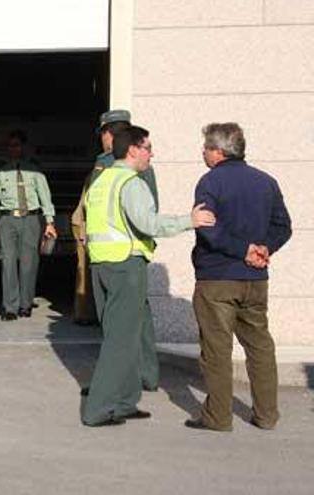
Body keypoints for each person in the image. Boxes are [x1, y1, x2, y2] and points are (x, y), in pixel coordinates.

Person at [82, 126, 215, 427]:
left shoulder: (102, 179)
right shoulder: (131, 182)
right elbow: (147, 224)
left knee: (126, 338)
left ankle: (125, 402)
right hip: (125, 266)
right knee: (120, 341)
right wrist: (188, 221)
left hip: (102, 265)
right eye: (148, 147)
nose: (151, 154)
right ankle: (98, 410)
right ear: (132, 150)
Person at [185, 123, 292, 432]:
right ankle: (267, 415)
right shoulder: (266, 182)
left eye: (205, 147)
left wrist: (243, 249)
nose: (202, 152)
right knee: (260, 346)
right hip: (255, 279)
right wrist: (263, 248)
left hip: (217, 277)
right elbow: (283, 226)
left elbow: (207, 226)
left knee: (217, 350)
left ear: (218, 152)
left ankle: (218, 417)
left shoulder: (210, 182)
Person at [0, 130, 58, 321]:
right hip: (8, 219)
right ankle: (10, 307)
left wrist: (49, 221)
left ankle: (25, 304)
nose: (13, 149)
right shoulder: (0, 170)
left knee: (29, 262)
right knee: (8, 263)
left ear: (23, 147)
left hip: (30, 219)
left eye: (16, 145)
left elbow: (45, 196)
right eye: (10, 145)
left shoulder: (34, 169)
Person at [71, 110, 132, 325]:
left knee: (105, 295)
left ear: (108, 133)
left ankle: (91, 317)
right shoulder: (139, 160)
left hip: (105, 242)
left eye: (103, 133)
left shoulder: (107, 161)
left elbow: (95, 202)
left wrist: (86, 231)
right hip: (124, 245)